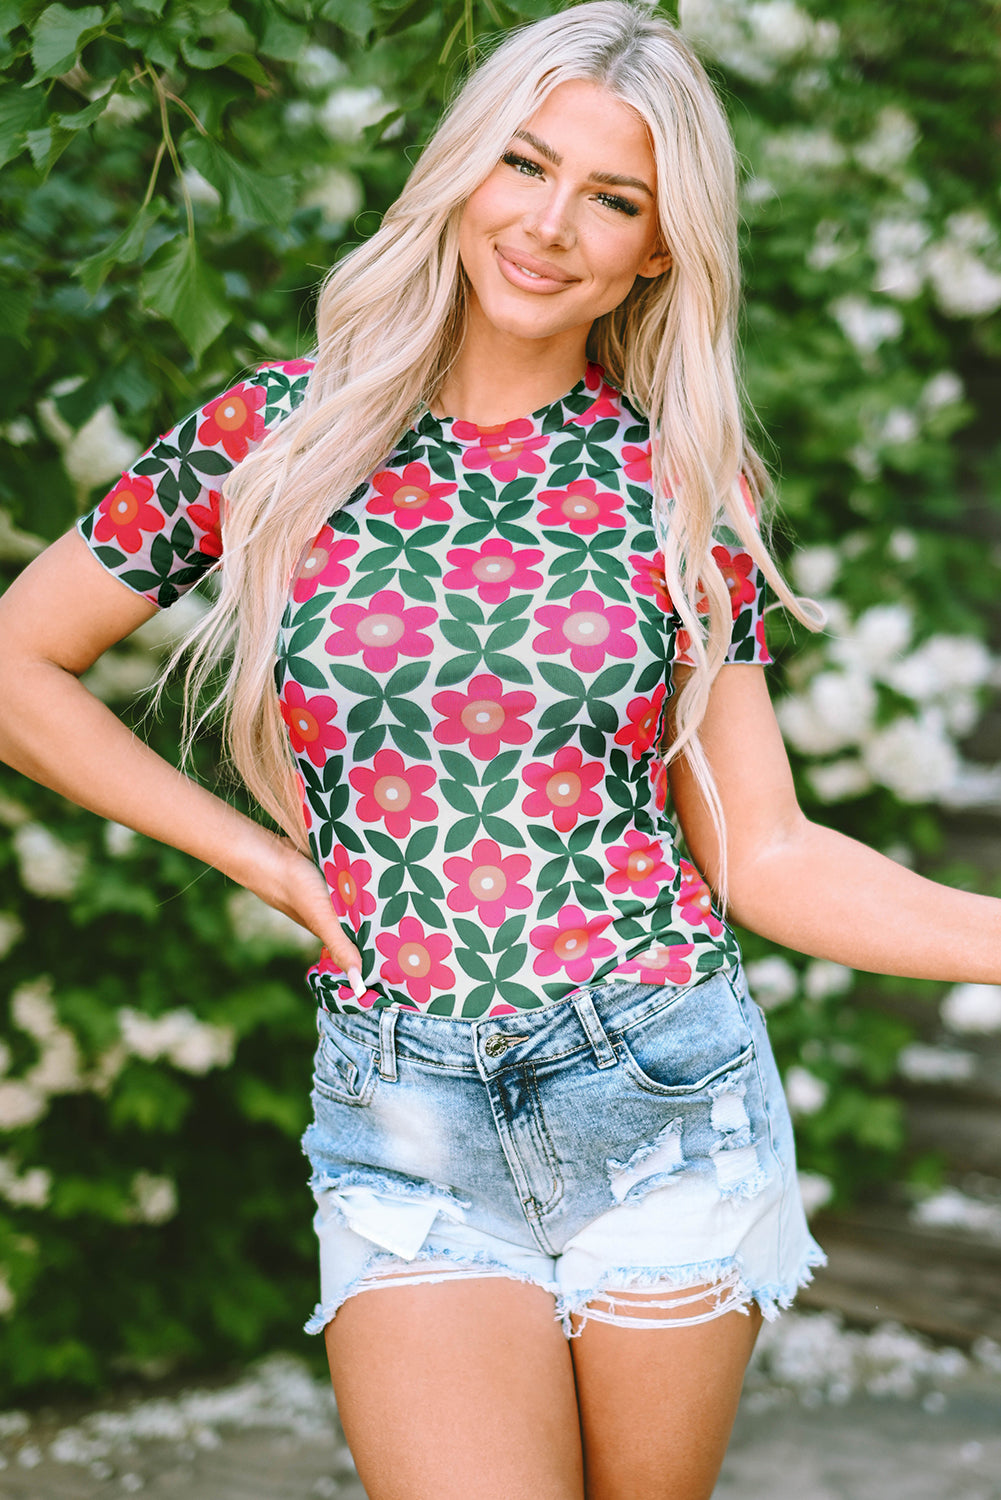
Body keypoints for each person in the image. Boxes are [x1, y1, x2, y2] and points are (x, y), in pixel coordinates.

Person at [2, 3, 1000, 1496]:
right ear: (465, 171)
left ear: (660, 247)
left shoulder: (681, 479)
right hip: (402, 1103)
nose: (549, 226)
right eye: (523, 166)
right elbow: (18, 661)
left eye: (613, 197)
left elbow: (764, 851)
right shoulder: (277, 433)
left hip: (656, 1086)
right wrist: (262, 861)